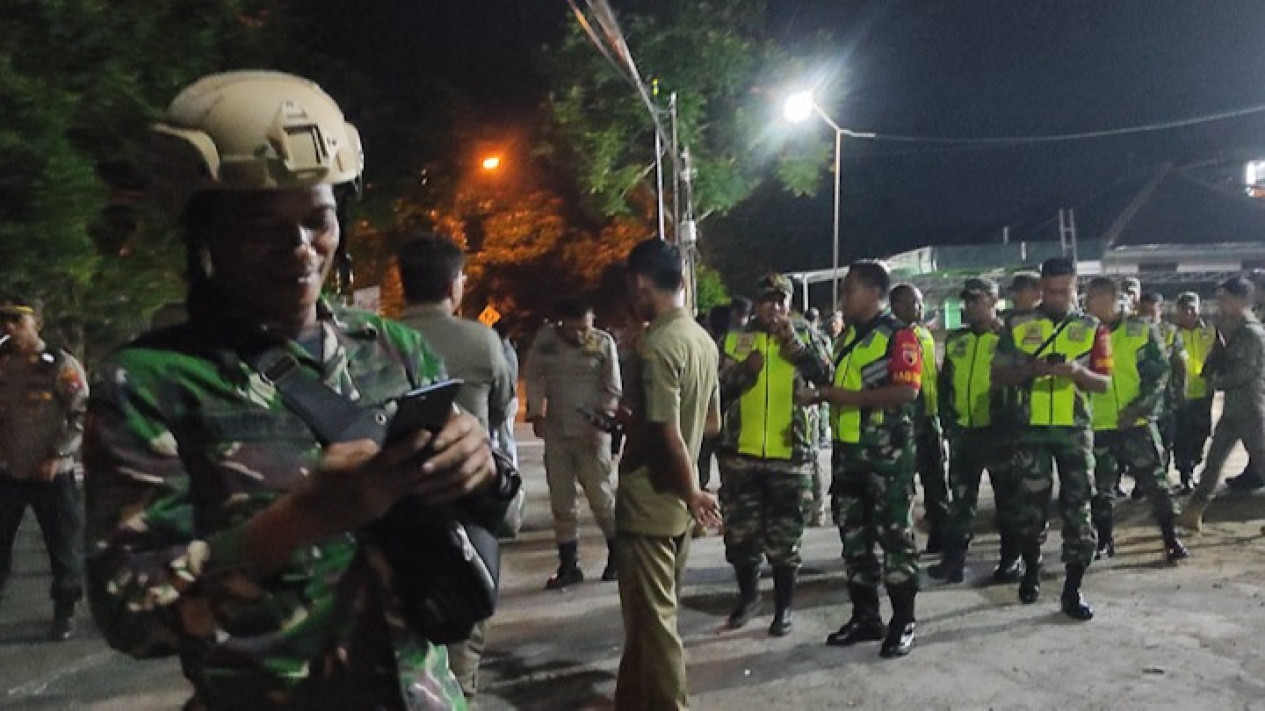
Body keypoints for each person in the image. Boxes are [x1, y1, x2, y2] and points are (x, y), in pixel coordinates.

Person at [84, 71, 516, 709]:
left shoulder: (393, 349)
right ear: (207, 234)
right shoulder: (150, 384)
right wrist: (301, 520)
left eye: (318, 219)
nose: (300, 249)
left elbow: (501, 513)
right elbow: (130, 614)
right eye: (265, 227)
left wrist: (480, 467)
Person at [395, 233, 516, 698]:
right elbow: (504, 405)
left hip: (399, 503)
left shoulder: (374, 342)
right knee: (464, 620)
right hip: (467, 502)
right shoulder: (481, 341)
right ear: (453, 286)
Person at [613, 238, 721, 710]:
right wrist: (692, 490)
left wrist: (693, 491)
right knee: (644, 625)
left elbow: (667, 433)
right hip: (676, 509)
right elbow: (711, 423)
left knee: (656, 628)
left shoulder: (657, 345)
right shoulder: (701, 339)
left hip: (650, 504)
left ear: (641, 284)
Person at [992, 257, 1111, 621]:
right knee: (1031, 510)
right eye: (1052, 291)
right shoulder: (1019, 325)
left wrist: (1076, 372)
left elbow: (1104, 383)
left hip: (1075, 433)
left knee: (1079, 512)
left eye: (1066, 290)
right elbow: (997, 376)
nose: (1059, 297)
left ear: (1077, 288)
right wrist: (1032, 369)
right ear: (1041, 289)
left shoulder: (1093, 329)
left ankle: (1072, 589)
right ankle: (1031, 567)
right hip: (1031, 433)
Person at [815, 261, 922, 658]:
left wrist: (841, 398)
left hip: (885, 457)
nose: (844, 297)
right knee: (854, 540)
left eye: (850, 289)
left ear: (875, 292)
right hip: (848, 455)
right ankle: (866, 617)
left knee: (895, 539)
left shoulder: (899, 336)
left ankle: (903, 621)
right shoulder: (850, 339)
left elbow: (907, 392)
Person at [716, 274, 832, 636]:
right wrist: (741, 373)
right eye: (768, 300)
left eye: (782, 300)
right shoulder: (734, 339)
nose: (775, 307)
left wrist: (795, 347)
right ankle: (748, 599)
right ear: (756, 303)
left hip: (790, 456)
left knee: (785, 540)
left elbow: (827, 378)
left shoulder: (809, 337)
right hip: (741, 456)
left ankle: (783, 609)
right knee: (740, 537)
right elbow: (715, 392)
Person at [0, 296, 88, 641]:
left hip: (52, 473)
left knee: (63, 546)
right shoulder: (2, 363)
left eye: (16, 321)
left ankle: (65, 610)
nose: (8, 328)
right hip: (9, 472)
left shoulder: (59, 365)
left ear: (36, 322)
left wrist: (57, 453)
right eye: (4, 321)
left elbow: (81, 413)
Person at [1082, 279, 1188, 563]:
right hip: (1098, 425)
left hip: (1136, 425)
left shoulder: (1139, 329)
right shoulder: (1082, 331)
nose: (1087, 302)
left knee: (1157, 484)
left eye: (1093, 297)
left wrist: (1139, 409)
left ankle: (1170, 538)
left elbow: (1159, 373)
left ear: (1112, 298)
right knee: (1101, 491)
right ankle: (1104, 541)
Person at [928, 279, 1019, 584]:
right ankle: (954, 562)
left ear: (994, 301)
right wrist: (948, 420)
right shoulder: (957, 341)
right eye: (968, 301)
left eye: (977, 300)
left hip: (999, 433)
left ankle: (1010, 559)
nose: (971, 306)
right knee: (961, 502)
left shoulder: (1009, 338)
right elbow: (945, 385)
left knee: (1007, 500)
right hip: (964, 433)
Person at [526, 299, 622, 587]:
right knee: (561, 501)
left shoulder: (603, 343)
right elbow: (534, 377)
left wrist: (602, 421)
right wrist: (536, 413)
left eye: (585, 328)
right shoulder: (545, 342)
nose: (580, 335)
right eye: (573, 329)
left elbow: (613, 388)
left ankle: (618, 557)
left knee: (601, 498)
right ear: (560, 324)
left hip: (592, 434)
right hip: (557, 432)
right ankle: (569, 565)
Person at [1177, 277, 1265, 531]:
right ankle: (1193, 512)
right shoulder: (1237, 329)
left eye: (1224, 299)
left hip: (1249, 408)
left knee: (1261, 463)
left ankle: (1194, 511)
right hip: (1235, 410)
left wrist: (1215, 382)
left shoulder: (1251, 333)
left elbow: (1246, 373)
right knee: (1214, 461)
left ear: (1240, 300)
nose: (1220, 305)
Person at [890, 284, 948, 554]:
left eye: (920, 303)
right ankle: (905, 540)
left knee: (935, 480)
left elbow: (934, 371)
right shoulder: (891, 336)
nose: (919, 308)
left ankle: (939, 534)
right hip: (905, 422)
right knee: (904, 484)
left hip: (929, 418)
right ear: (897, 305)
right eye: (914, 303)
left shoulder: (924, 333)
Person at [1138, 291, 1186, 491]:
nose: (1149, 314)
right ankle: (1142, 484)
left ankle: (1162, 479)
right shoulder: (1133, 329)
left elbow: (1179, 363)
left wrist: (1181, 390)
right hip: (1140, 396)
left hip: (1165, 397)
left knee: (1166, 441)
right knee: (1143, 442)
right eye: (1145, 310)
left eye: (1153, 310)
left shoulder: (1171, 331)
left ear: (1160, 309)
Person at [1172, 293, 1218, 495]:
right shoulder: (1172, 333)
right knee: (1182, 436)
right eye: (1184, 310)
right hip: (1181, 395)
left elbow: (1218, 357)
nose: (1189, 313)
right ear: (1178, 312)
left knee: (1201, 433)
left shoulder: (1210, 332)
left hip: (1204, 393)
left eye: (1192, 308)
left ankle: (1194, 465)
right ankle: (1185, 474)